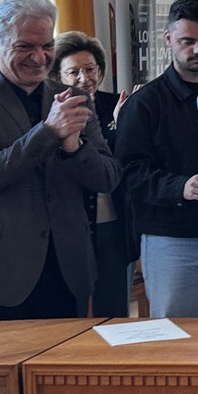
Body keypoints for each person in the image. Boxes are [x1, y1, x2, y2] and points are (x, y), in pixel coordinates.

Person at [0, 0, 120, 321]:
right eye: (25, 47)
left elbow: (107, 177)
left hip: (65, 268)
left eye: (47, 46)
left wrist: (74, 148)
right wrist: (48, 132)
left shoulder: (74, 98)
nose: (39, 57)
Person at [115, 0, 198, 318]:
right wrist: (181, 187)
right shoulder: (144, 104)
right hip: (171, 240)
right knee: (178, 335)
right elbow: (128, 173)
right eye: (188, 41)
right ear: (168, 39)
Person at [53, 31, 133, 317]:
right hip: (70, 218)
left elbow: (121, 160)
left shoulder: (118, 104)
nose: (84, 78)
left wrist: (120, 124)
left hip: (112, 216)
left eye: (90, 69)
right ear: (58, 76)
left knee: (113, 304)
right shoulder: (54, 110)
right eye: (73, 72)